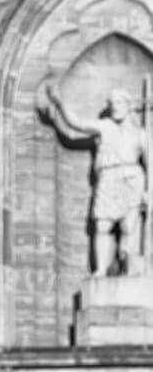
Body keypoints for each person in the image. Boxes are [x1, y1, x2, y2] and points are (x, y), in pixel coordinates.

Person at [43, 84, 148, 277]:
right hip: (108, 178)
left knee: (129, 226)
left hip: (132, 179)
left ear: (128, 105)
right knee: (102, 225)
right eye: (111, 103)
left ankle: (130, 269)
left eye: (118, 102)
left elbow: (151, 166)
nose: (114, 106)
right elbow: (77, 124)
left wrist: (148, 192)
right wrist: (59, 103)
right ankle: (100, 269)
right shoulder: (105, 127)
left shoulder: (141, 134)